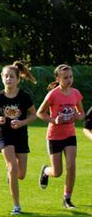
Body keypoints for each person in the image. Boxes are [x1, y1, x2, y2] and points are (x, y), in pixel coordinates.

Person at [0, 61, 37, 215]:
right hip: (4, 134)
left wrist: (22, 122)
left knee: (21, 174)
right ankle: (16, 206)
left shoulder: (24, 97)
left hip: (21, 135)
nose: (8, 79)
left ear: (18, 79)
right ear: (2, 78)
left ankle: (11, 175)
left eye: (11, 76)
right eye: (6, 76)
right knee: (12, 167)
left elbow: (34, 115)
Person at [36, 64, 85, 209]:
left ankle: (67, 198)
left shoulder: (76, 93)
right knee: (57, 172)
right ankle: (46, 171)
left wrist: (78, 116)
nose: (69, 80)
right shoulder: (53, 94)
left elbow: (82, 114)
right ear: (58, 78)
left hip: (70, 134)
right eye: (65, 77)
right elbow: (40, 113)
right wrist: (54, 120)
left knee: (71, 165)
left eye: (70, 77)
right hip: (54, 136)